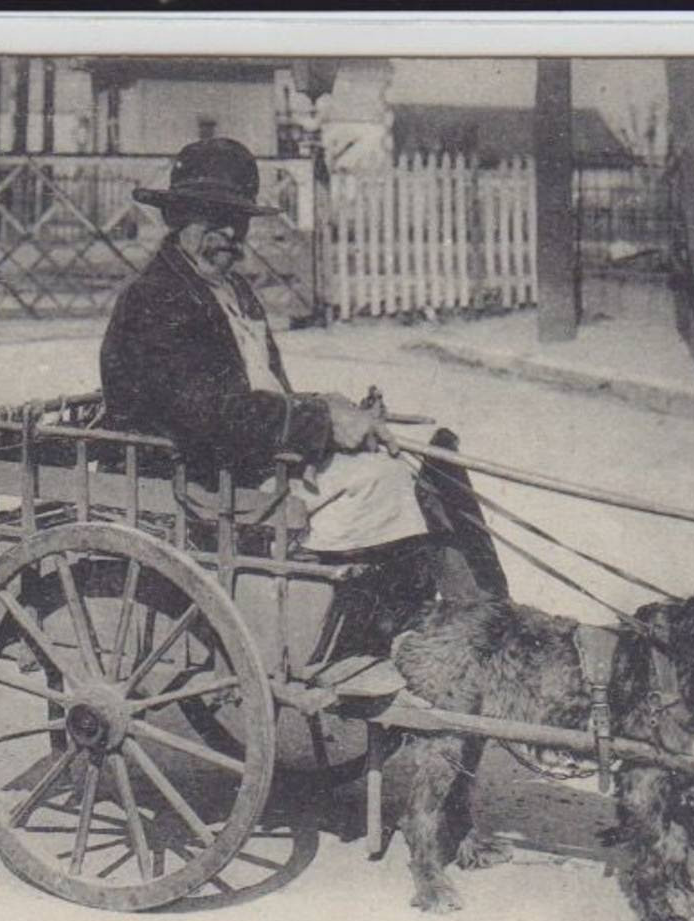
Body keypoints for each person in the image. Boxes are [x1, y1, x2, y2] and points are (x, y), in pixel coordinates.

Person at [99, 137, 507, 605]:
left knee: (430, 449)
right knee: (393, 478)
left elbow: (257, 392)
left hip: (250, 455)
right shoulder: (157, 298)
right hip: (198, 473)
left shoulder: (228, 289)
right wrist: (323, 421)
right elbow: (206, 417)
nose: (228, 233)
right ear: (178, 218)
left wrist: (332, 409)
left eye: (237, 220)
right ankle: (444, 615)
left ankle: (485, 610)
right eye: (213, 218)